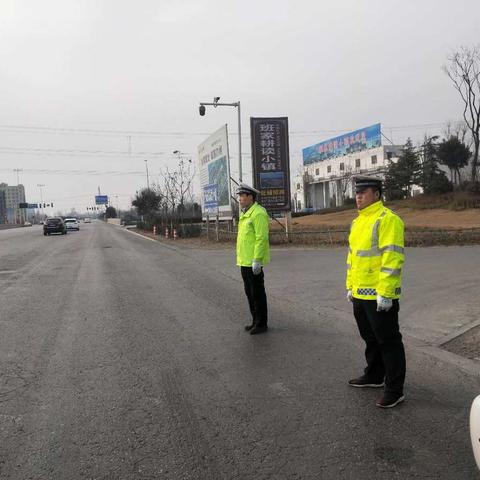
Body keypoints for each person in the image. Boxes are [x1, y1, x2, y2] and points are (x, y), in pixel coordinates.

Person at [346, 175, 406, 408]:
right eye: (357, 193)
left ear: (377, 195)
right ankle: (374, 375)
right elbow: (352, 258)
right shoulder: (357, 222)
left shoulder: (387, 219)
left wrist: (386, 292)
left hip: (380, 295)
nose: (358, 197)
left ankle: (395, 389)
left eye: (363, 192)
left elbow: (392, 258)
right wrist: (350, 286)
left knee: (388, 341)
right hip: (360, 293)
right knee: (370, 338)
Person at [236, 183, 270, 335]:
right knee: (249, 292)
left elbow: (261, 238)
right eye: (240, 196)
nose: (240, 199)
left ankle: (262, 323)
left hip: (253, 262)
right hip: (244, 261)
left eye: (242, 196)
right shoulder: (245, 213)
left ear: (251, 197)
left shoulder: (258, 213)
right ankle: (255, 320)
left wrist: (257, 259)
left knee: (257, 293)